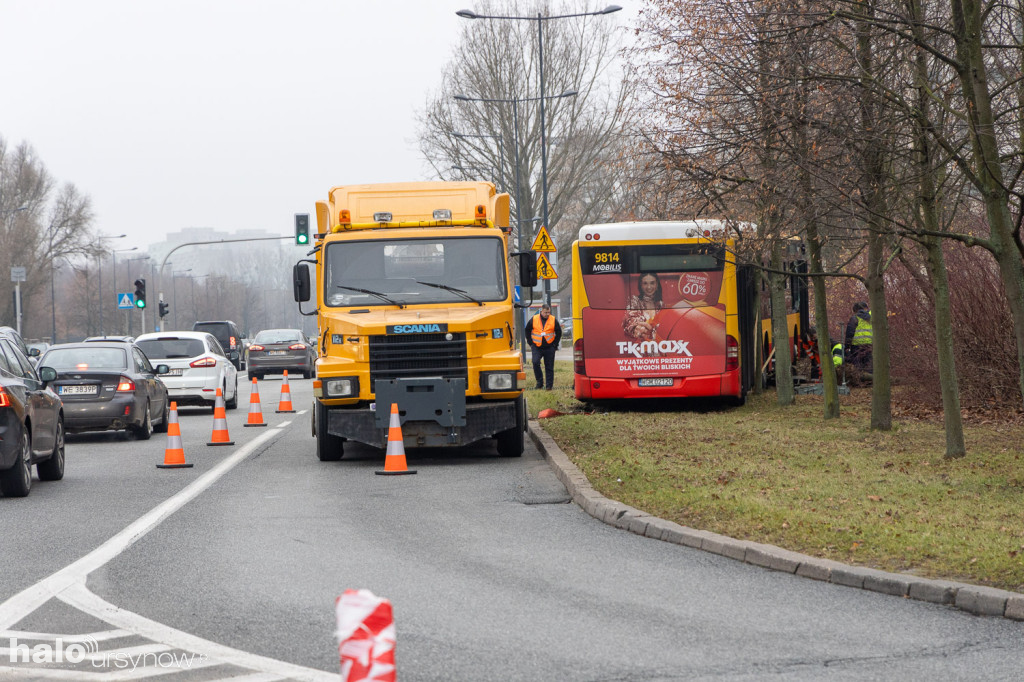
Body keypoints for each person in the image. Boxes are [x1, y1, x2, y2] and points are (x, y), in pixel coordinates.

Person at [527, 304, 562, 390]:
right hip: (536, 346)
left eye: (548, 312)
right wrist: (530, 343)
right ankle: (539, 383)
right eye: (545, 312)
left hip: (549, 347)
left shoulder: (553, 320)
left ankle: (549, 386)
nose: (547, 314)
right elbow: (527, 330)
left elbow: (559, 332)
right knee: (535, 362)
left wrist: (555, 345)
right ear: (541, 311)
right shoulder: (534, 319)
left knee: (549, 367)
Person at [623, 272, 663, 341]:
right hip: (640, 346)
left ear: (656, 285)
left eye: (652, 283)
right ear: (641, 286)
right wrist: (635, 328)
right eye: (645, 283)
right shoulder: (634, 301)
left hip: (660, 346)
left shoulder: (660, 304)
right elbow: (628, 320)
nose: (649, 287)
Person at [845, 301, 873, 374]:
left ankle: (860, 381)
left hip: (856, 346)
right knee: (869, 365)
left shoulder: (855, 318)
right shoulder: (873, 317)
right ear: (866, 308)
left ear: (856, 310)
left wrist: (847, 346)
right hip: (870, 345)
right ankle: (871, 381)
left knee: (858, 366)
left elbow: (850, 333)